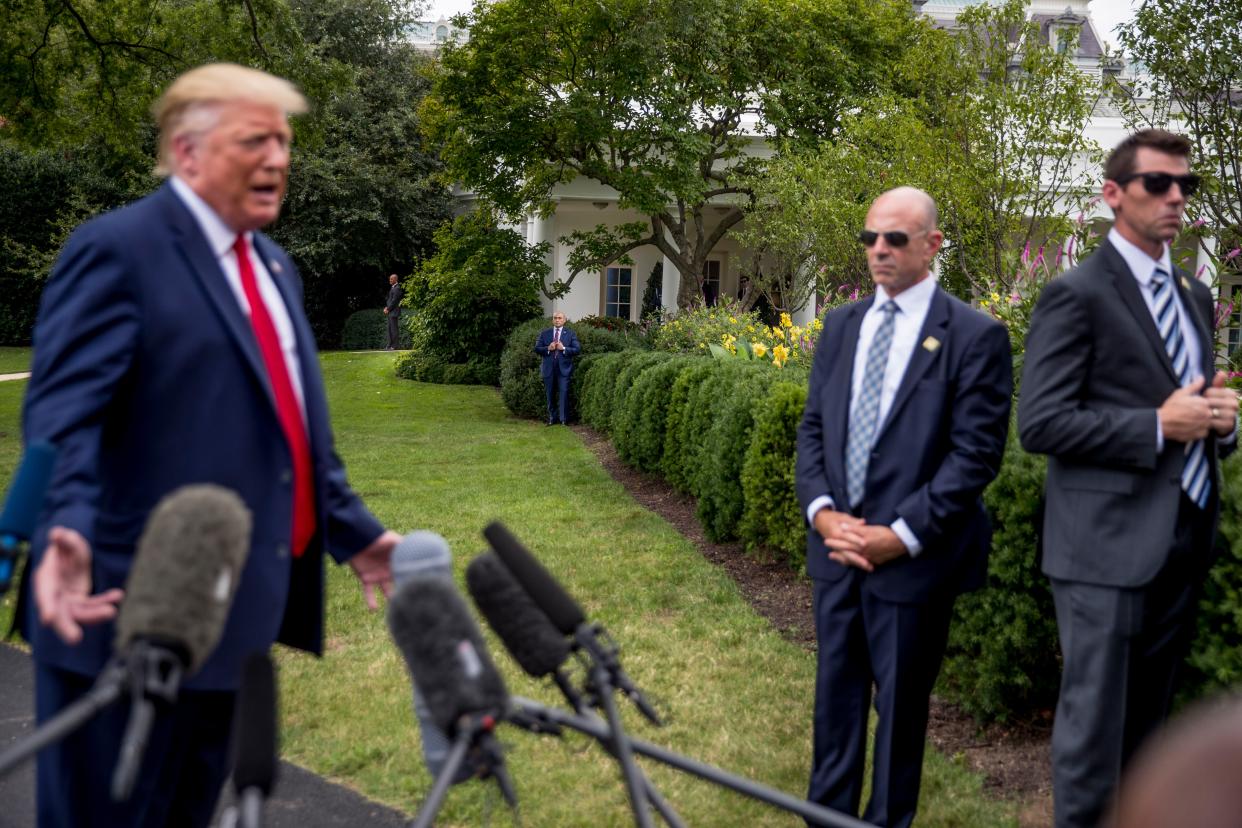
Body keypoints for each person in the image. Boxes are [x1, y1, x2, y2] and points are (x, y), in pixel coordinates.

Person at [17, 63, 401, 827]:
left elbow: (289, 430)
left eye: (286, 142)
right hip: (124, 616)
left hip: (232, 627)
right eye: (255, 140)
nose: (279, 158)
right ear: (186, 152)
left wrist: (354, 534)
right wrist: (62, 523)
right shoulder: (117, 250)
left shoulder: (273, 265)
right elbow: (64, 419)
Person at [1017, 128, 1237, 828]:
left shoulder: (1194, 295)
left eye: (1186, 186)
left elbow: (1190, 411)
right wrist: (1154, 425)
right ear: (1113, 194)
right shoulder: (1074, 294)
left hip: (1183, 538)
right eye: (1157, 184)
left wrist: (1221, 421)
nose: (1176, 197)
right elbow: (1040, 423)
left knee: (1149, 736)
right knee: (1092, 742)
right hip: (1102, 550)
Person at [795, 186, 1012, 828]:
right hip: (836, 551)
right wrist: (823, 512)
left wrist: (901, 534)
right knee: (834, 706)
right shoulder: (840, 325)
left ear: (932, 244)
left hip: (913, 562)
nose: (879, 250)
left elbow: (974, 457)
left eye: (895, 238)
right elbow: (813, 429)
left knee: (900, 715)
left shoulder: (975, 336)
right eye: (870, 238)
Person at [534, 311, 580, 426]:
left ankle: (563, 419)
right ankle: (552, 418)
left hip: (564, 370)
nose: (557, 320)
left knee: (563, 393)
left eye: (560, 318)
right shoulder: (545, 333)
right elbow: (537, 348)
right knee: (550, 393)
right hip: (548, 369)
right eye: (555, 318)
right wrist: (548, 348)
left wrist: (563, 348)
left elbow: (577, 349)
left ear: (564, 320)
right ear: (552, 320)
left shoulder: (570, 334)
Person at [383, 272, 404, 350]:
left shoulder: (397, 288)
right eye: (390, 279)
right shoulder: (393, 288)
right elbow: (389, 299)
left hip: (394, 312)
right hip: (390, 311)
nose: (390, 280)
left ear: (395, 279)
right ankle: (389, 345)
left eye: (391, 279)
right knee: (389, 329)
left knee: (394, 329)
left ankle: (394, 346)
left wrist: (388, 309)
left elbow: (394, 301)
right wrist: (386, 308)